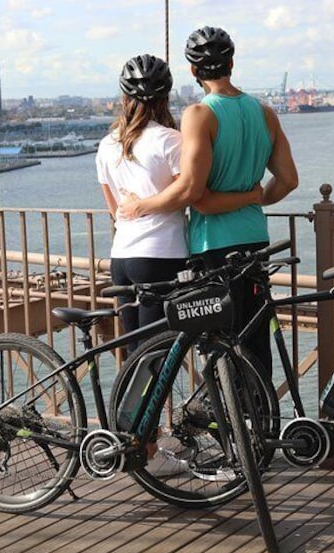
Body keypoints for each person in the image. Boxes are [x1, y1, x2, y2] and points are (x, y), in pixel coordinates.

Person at [119, 26, 299, 374]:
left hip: (214, 246)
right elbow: (288, 180)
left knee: (221, 341)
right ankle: (261, 420)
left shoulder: (200, 114)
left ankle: (229, 424)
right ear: (232, 62)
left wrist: (140, 206)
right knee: (255, 336)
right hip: (255, 240)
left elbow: (193, 194)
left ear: (192, 70)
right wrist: (254, 198)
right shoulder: (265, 113)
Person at [95, 54, 188, 349]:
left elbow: (114, 210)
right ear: (165, 97)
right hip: (160, 255)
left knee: (136, 355)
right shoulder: (171, 139)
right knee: (154, 353)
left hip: (121, 257)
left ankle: (128, 398)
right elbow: (184, 194)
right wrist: (151, 203)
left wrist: (137, 207)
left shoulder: (108, 143)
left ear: (124, 96)